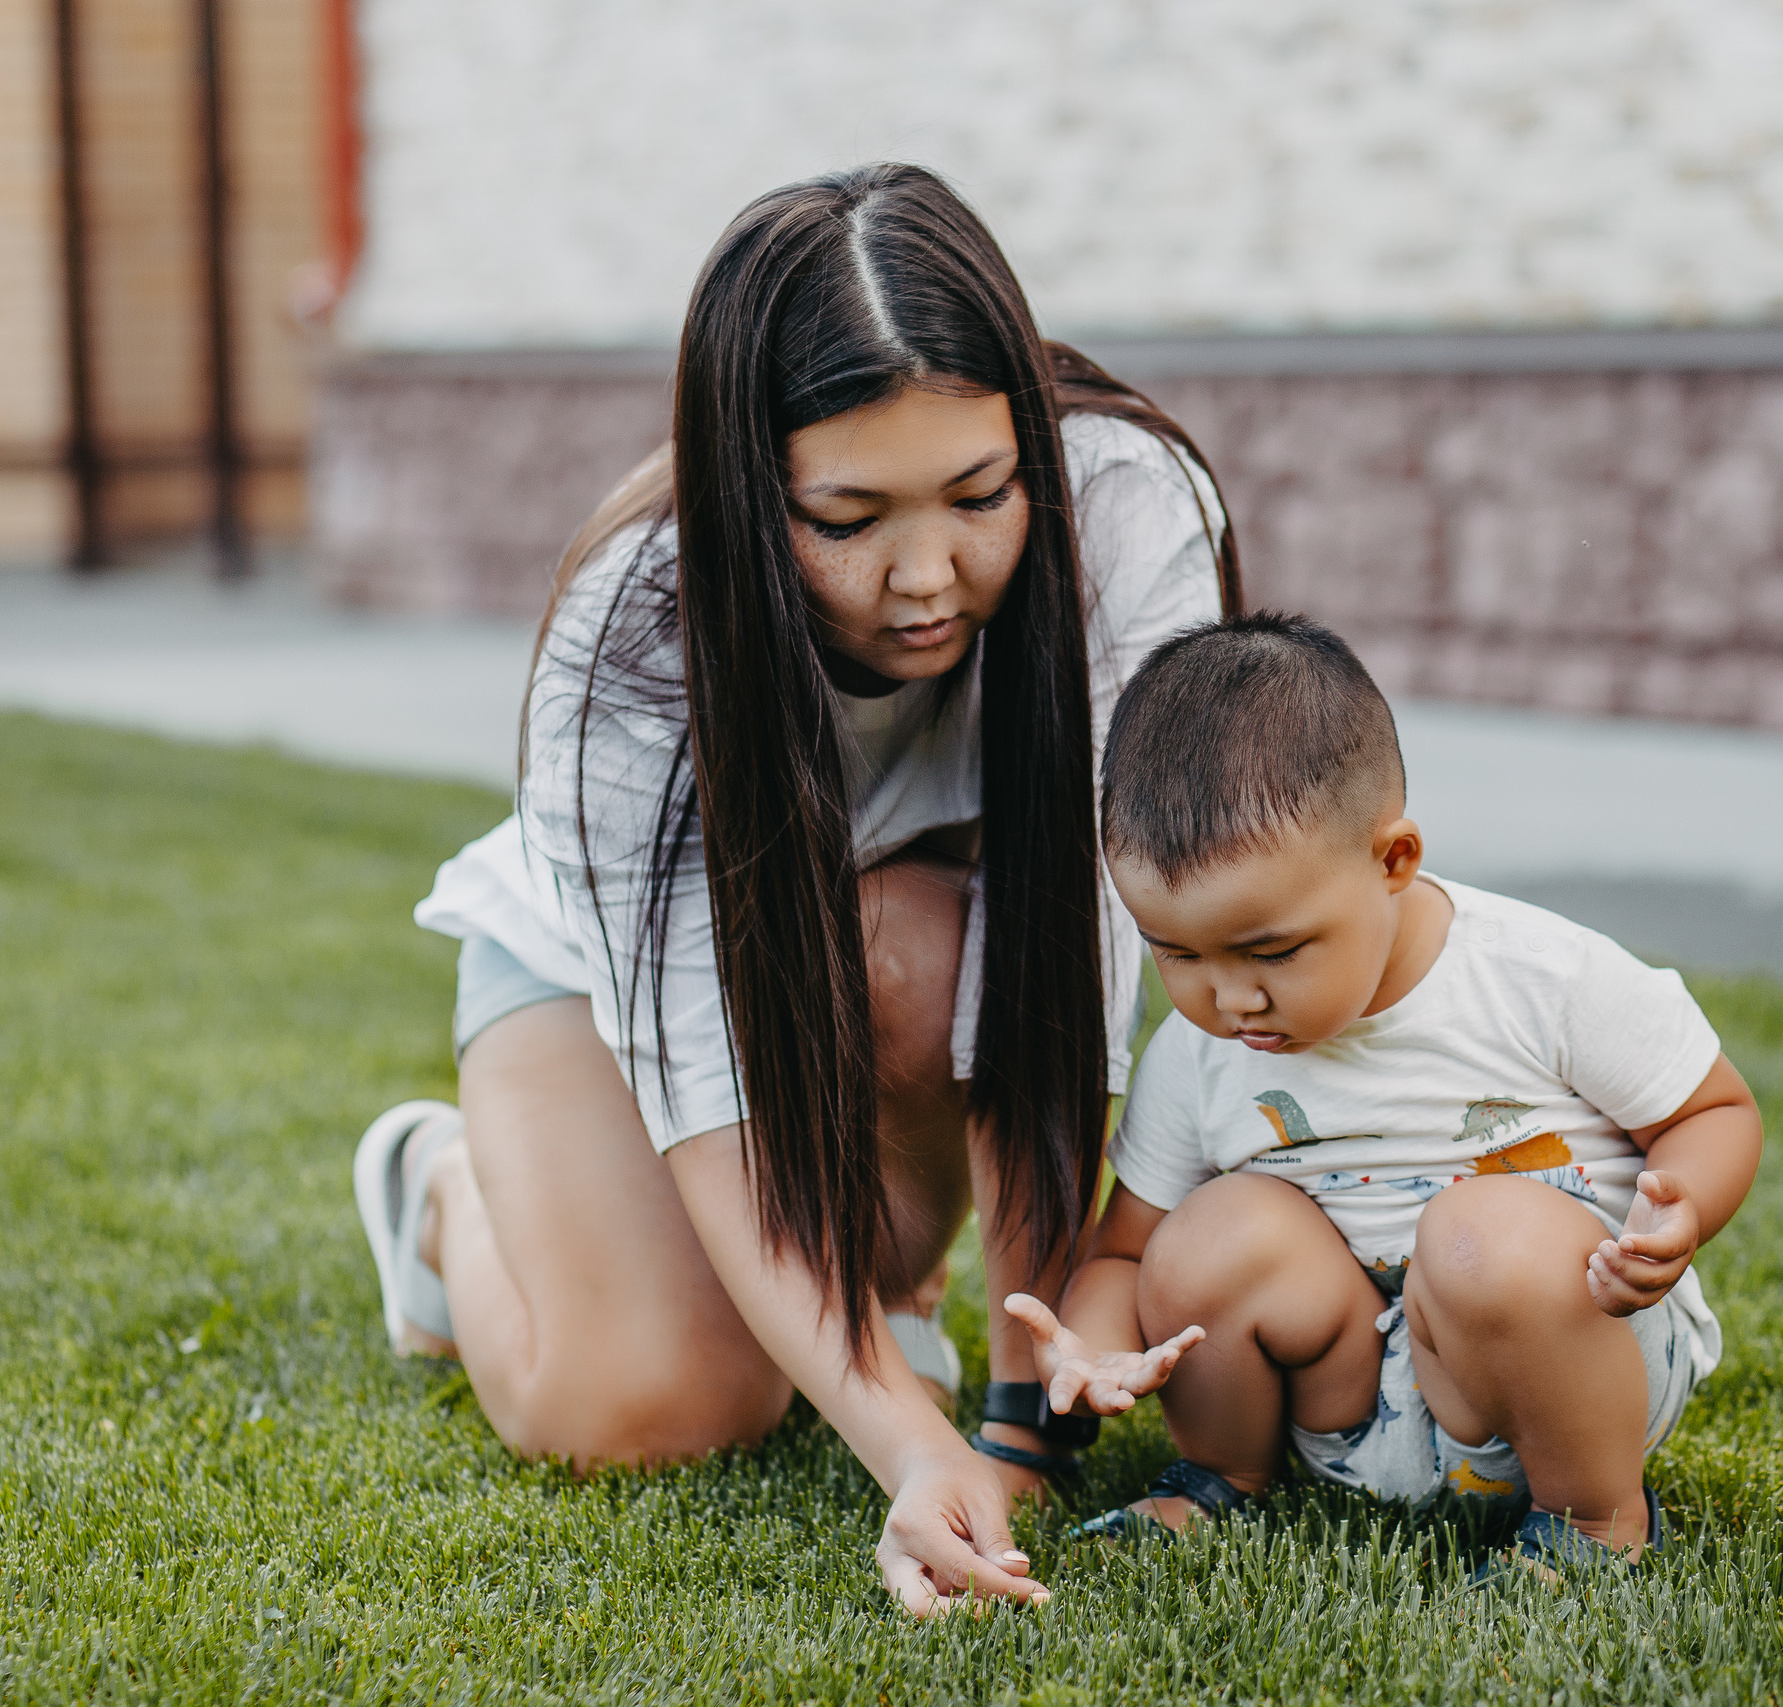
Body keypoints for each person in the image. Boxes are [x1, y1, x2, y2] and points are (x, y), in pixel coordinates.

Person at [348, 163, 1240, 1614]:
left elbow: (1075, 947)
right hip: (609, 982)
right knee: (642, 1408)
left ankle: (874, 1309)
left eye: (980, 493)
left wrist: (1019, 1414)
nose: (929, 572)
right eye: (851, 516)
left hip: (903, 960)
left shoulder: (1134, 511)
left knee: (908, 949)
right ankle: (443, 1186)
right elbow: (704, 1086)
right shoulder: (631, 631)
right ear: (754, 491)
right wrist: (906, 1440)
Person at [1006, 613, 1763, 1582]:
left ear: (1392, 861)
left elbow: (1712, 1111)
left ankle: (1593, 1522)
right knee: (1207, 1229)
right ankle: (1223, 1475)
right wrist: (1097, 1346)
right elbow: (1125, 1250)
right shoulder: (1196, 1052)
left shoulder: (1539, 977)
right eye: (1177, 952)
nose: (1228, 998)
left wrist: (1680, 1212)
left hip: (1568, 1367)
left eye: (1272, 951)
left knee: (1480, 1232)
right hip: (1350, 1407)